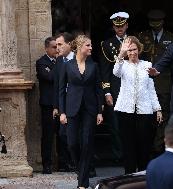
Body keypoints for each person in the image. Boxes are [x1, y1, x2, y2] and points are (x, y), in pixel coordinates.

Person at [59, 35, 104, 189]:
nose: (91, 48)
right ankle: (82, 172)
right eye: (88, 45)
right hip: (72, 108)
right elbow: (61, 91)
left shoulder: (94, 66)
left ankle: (82, 183)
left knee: (86, 144)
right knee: (72, 144)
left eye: (91, 45)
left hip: (90, 109)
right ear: (79, 47)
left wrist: (99, 111)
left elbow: (99, 90)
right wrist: (62, 112)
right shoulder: (67, 65)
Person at [113, 36, 162, 174]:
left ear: (139, 49)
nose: (132, 53)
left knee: (144, 146)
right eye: (129, 50)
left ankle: (142, 177)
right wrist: (121, 54)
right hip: (125, 111)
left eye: (134, 49)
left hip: (144, 111)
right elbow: (115, 72)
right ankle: (128, 177)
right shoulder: (122, 64)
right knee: (128, 147)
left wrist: (157, 108)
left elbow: (151, 88)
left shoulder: (146, 64)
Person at [138, 9, 173, 156]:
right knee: (147, 115)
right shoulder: (142, 37)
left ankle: (159, 147)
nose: (155, 25)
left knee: (164, 115)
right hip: (146, 83)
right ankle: (147, 147)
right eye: (152, 22)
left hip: (164, 83)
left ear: (163, 22)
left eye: (158, 22)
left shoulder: (171, 37)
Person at [99, 12, 129, 162]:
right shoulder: (107, 44)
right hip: (115, 90)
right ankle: (119, 156)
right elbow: (104, 71)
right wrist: (107, 92)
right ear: (113, 27)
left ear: (126, 25)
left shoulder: (133, 41)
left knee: (131, 124)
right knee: (115, 126)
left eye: (122, 25)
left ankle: (131, 155)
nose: (120, 29)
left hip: (131, 88)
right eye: (117, 26)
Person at [53, 32, 75, 172]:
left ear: (70, 44)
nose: (57, 48)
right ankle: (69, 163)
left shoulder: (79, 58)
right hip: (64, 103)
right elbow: (58, 85)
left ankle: (86, 166)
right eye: (56, 45)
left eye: (60, 45)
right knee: (63, 134)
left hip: (77, 102)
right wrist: (57, 106)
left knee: (78, 135)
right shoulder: (60, 61)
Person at [36, 37, 58, 174]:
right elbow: (49, 77)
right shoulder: (41, 62)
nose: (57, 49)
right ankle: (47, 164)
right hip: (48, 104)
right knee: (48, 135)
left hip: (62, 103)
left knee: (63, 134)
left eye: (57, 47)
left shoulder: (60, 62)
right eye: (54, 47)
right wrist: (59, 65)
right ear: (46, 48)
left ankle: (65, 163)